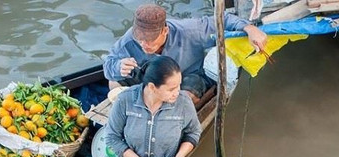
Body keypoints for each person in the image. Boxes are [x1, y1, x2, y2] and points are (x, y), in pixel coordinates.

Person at [103, 4, 267, 103]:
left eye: (151, 39)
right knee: (114, 82)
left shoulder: (190, 30)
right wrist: (118, 67)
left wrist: (250, 28)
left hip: (186, 75)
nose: (144, 44)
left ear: (165, 31)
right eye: (140, 39)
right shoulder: (129, 39)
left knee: (185, 99)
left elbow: (224, 19)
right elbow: (108, 65)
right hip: (151, 76)